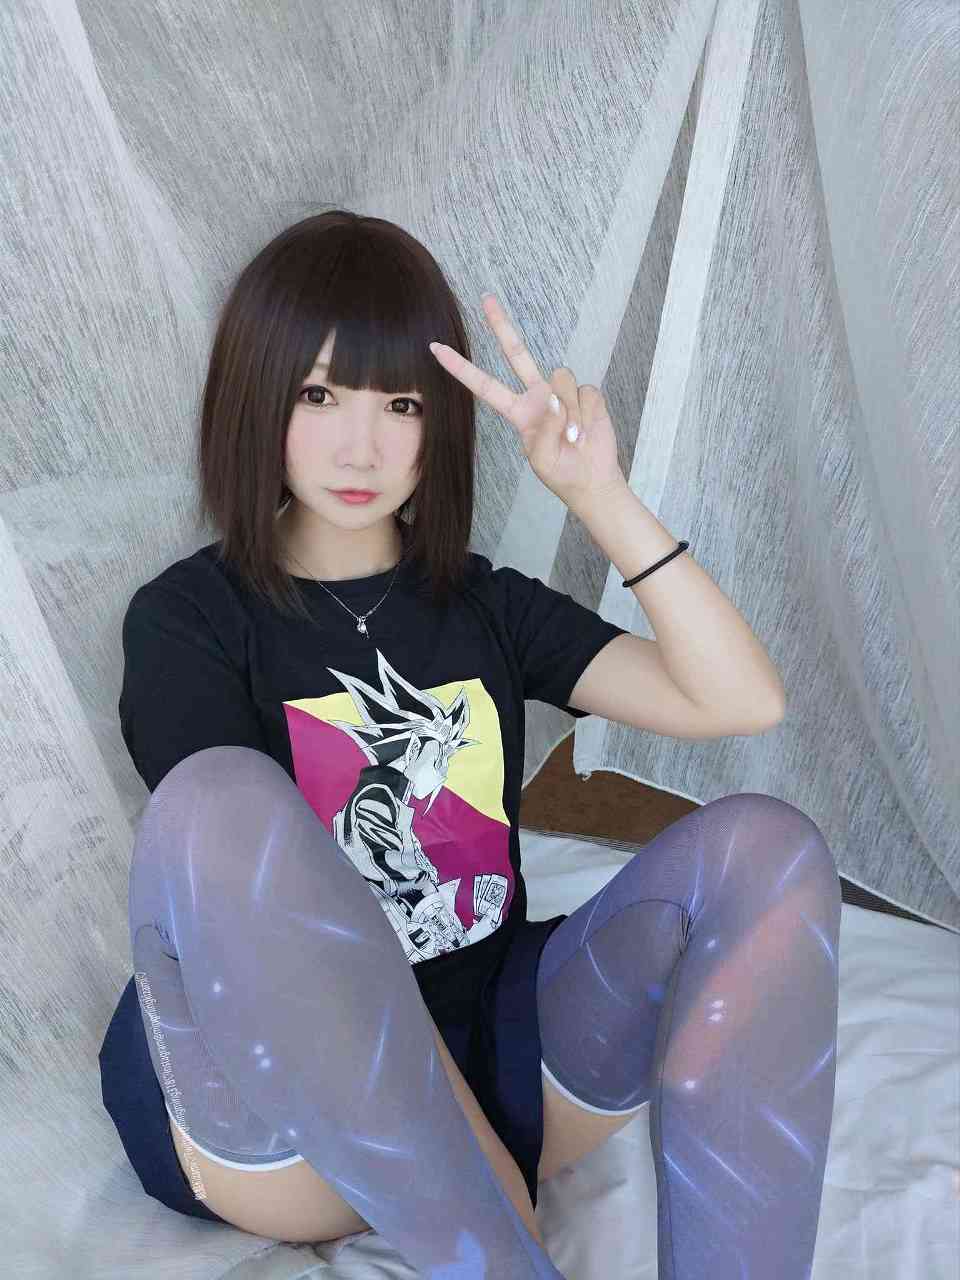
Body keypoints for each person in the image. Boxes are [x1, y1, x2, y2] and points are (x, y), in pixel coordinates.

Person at [98, 208, 842, 1279]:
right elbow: (235, 908)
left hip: (494, 1052)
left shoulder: (480, 603)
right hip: (278, 1108)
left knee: (766, 847)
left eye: (399, 404)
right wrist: (499, 1189)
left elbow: (739, 699)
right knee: (216, 803)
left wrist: (600, 496)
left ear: (438, 422)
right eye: (319, 396)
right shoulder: (189, 619)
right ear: (257, 400)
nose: (362, 447)